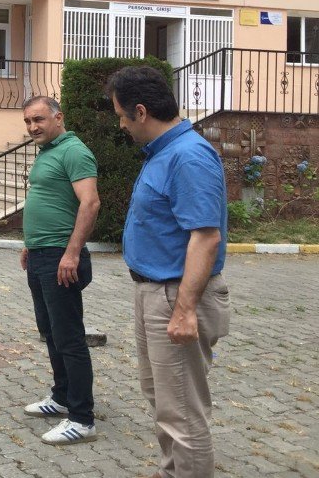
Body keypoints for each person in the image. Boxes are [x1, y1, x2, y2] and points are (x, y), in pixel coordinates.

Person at [107, 65, 230, 478]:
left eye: (122, 116)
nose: (121, 125)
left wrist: (184, 310)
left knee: (181, 412)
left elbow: (206, 238)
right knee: (163, 400)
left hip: (176, 295)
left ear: (141, 112)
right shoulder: (164, 153)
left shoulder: (188, 156)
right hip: (155, 292)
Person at [19, 96, 101, 446]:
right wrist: (29, 242)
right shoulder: (48, 151)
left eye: (38, 119)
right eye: (27, 121)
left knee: (69, 337)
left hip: (60, 258)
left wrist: (71, 253)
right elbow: (48, 200)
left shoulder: (74, 151)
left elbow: (90, 202)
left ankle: (82, 418)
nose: (33, 127)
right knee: (50, 332)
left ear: (58, 117)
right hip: (40, 254)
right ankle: (62, 396)